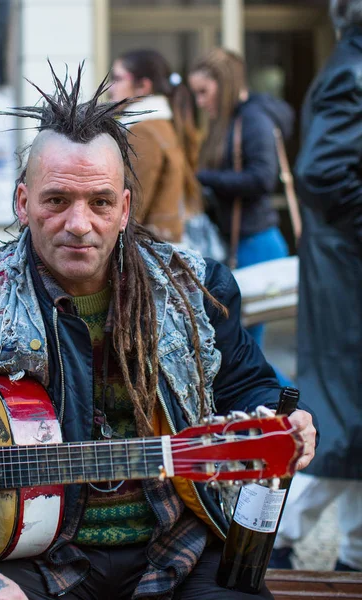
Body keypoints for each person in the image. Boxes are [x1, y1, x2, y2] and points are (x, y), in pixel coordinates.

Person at [0, 65, 317, 600]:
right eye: (57, 200)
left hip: (180, 545)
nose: (79, 223)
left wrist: (278, 417)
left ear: (125, 209)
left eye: (100, 202)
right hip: (30, 556)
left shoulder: (195, 287)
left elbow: (247, 384)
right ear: (22, 202)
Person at [271, 0, 362, 573]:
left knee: (350, 414)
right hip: (346, 272)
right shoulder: (351, 72)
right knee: (343, 415)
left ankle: (352, 550)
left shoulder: (351, 67)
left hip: (344, 266)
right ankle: (269, 536)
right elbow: (322, 172)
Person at [188, 49, 295, 385]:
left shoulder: (253, 119)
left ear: (225, 85)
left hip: (256, 242)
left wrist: (206, 179)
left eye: (204, 92)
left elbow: (263, 177)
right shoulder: (233, 121)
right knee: (243, 348)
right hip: (243, 241)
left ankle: (294, 410)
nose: (201, 101)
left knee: (244, 351)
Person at [109, 49, 226, 261]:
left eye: (117, 79)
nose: (110, 88)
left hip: (149, 250)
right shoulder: (159, 124)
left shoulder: (144, 130)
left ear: (144, 86)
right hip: (161, 245)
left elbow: (133, 206)